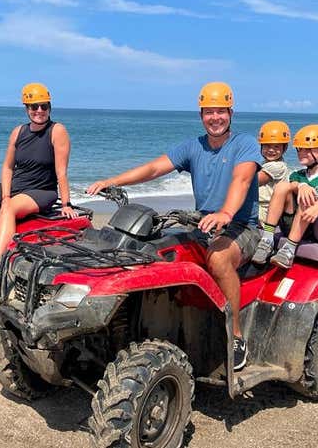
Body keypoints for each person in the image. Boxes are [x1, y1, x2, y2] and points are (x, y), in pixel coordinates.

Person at [86, 81, 260, 370]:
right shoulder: (193, 147)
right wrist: (111, 181)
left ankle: (236, 335)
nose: (215, 117)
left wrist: (227, 212)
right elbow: (154, 168)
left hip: (241, 227)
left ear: (231, 112)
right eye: (208, 112)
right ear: (201, 115)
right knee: (154, 249)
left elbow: (242, 179)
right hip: (203, 224)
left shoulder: (244, 144)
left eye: (221, 111)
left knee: (217, 259)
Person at [0, 82, 78, 281]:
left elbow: (61, 172)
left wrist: (66, 204)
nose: (39, 111)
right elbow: (7, 167)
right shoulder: (18, 132)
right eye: (34, 106)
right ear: (26, 108)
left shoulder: (57, 131)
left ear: (50, 107)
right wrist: (5, 195)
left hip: (41, 190)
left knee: (9, 208)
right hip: (17, 185)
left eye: (44, 106)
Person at [252, 124, 318, 269]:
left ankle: (289, 250)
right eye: (300, 149)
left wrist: (316, 206)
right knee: (282, 187)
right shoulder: (298, 175)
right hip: (292, 222)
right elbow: (292, 185)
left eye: (307, 150)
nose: (301, 153)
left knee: (308, 196)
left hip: (313, 226)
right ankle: (267, 240)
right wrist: (302, 186)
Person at [256, 120, 292, 228]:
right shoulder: (266, 163)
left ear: (284, 148)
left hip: (266, 211)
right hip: (260, 206)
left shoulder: (277, 166)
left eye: (276, 147)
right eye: (267, 146)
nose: (271, 150)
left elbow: (253, 180)